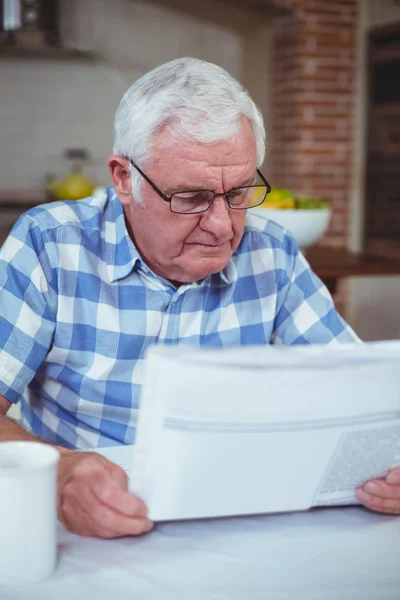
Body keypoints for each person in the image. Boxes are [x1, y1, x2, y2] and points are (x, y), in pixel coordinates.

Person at [0, 58, 399, 538]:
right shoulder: (49, 244)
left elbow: (361, 393)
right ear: (124, 179)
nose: (223, 226)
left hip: (235, 512)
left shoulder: (271, 251)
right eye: (191, 197)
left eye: (239, 194)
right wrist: (59, 471)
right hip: (86, 523)